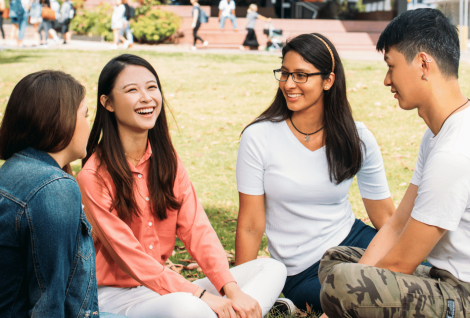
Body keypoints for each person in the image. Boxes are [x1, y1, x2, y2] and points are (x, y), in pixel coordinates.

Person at [77, 54, 287, 318]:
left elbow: (198, 231)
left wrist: (231, 290)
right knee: (188, 308)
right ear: (107, 103)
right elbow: (129, 257)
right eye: (132, 90)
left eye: (152, 87)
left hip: (163, 290)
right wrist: (199, 295)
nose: (146, 98)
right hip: (114, 298)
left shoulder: (168, 162)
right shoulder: (93, 176)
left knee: (271, 269)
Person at [319, 8, 470, 318]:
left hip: (463, 294)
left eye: (391, 66)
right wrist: (358, 281)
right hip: (441, 277)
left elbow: (402, 262)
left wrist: (351, 291)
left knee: (342, 283)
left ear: (423, 64)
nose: (387, 80)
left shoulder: (455, 150)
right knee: (336, 261)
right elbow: (398, 224)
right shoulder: (437, 135)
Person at [235, 33, 395, 314]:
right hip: (305, 271)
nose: (288, 84)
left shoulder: (356, 137)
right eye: (284, 73)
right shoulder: (258, 137)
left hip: (356, 243)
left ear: (328, 80)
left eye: (301, 75)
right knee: (369, 304)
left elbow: (385, 217)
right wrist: (239, 290)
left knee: (429, 278)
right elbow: (250, 225)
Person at [0, 70, 127, 318]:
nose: (90, 125)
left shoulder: (15, 168)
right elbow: (49, 303)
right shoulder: (53, 187)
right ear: (62, 120)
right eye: (86, 114)